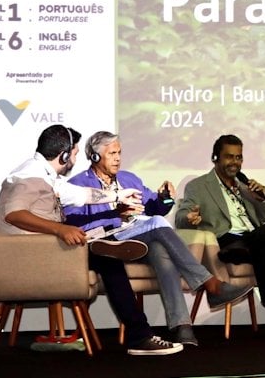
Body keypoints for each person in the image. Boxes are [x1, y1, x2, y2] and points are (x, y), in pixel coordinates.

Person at [0, 124, 181, 355]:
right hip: (35, 254)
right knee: (108, 258)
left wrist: (116, 195)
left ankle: (139, 335)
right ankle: (140, 337)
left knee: (107, 254)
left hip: (45, 249)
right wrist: (59, 230)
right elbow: (14, 214)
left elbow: (81, 195)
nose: (76, 158)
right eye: (74, 153)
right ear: (63, 155)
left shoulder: (44, 175)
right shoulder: (30, 177)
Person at [64, 131, 253, 347]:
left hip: (136, 238)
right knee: (156, 225)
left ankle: (182, 326)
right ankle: (210, 285)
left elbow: (156, 207)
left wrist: (165, 198)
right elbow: (75, 224)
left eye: (119, 153)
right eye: (112, 153)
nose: (118, 158)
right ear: (95, 157)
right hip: (107, 240)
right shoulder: (78, 185)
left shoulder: (128, 179)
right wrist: (115, 215)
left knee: (159, 247)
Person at [175, 134, 265, 339]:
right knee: (263, 251)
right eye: (229, 157)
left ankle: (246, 246)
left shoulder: (244, 185)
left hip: (247, 242)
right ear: (215, 157)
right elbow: (182, 217)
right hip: (226, 239)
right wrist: (189, 217)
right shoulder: (198, 186)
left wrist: (262, 198)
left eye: (239, 157)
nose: (235, 162)